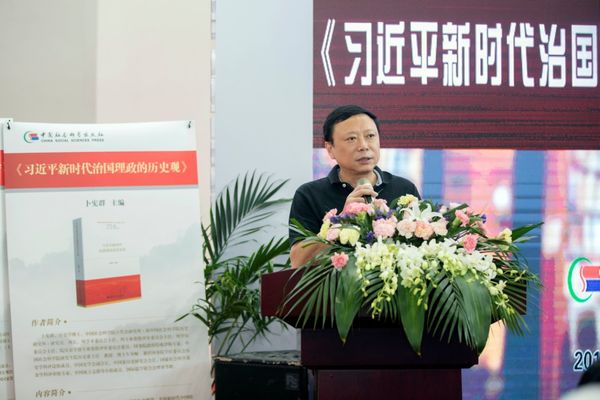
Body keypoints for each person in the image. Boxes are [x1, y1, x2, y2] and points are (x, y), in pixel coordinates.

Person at [289, 104, 420, 268]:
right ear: (330, 149)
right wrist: (342, 221)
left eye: (370, 136)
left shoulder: (404, 190)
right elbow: (298, 261)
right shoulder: (309, 195)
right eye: (351, 139)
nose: (364, 146)